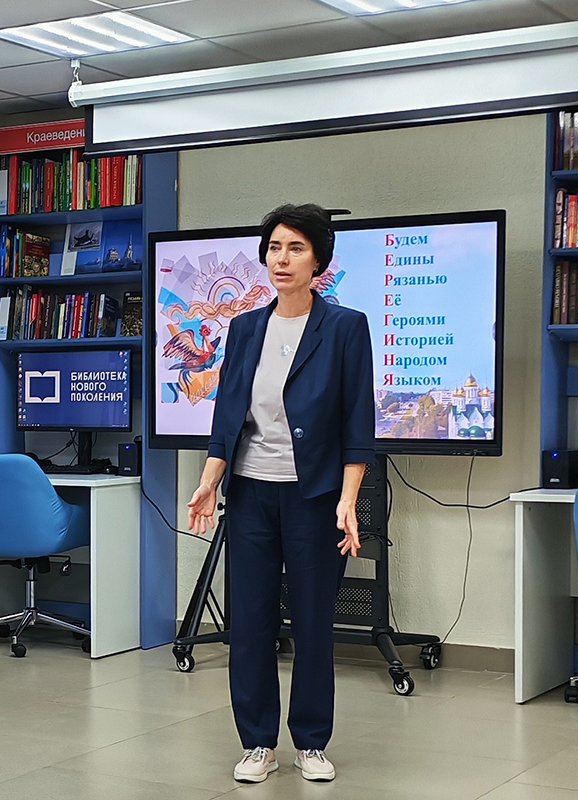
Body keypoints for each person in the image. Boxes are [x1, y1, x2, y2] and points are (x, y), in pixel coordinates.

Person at [187, 203, 375, 784]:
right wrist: (209, 480)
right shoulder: (245, 328)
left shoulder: (345, 327)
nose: (282, 259)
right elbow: (227, 417)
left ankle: (311, 742)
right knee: (250, 622)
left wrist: (348, 499)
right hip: (250, 494)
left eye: (295, 248)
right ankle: (257, 743)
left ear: (319, 260)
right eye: (273, 247)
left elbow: (357, 424)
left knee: (313, 622)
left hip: (314, 496)